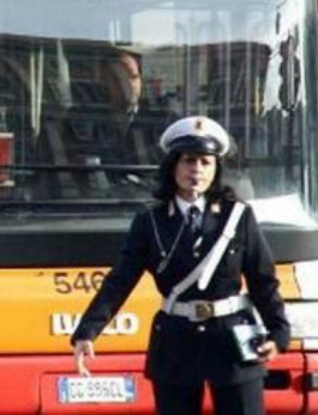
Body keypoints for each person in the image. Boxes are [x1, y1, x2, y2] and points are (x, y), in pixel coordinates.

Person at [70, 115, 290, 415]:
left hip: (232, 340)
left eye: (205, 162)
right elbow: (120, 280)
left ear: (216, 169)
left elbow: (263, 279)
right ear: (173, 165)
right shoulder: (150, 220)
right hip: (176, 341)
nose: (196, 170)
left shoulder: (238, 216)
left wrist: (278, 332)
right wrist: (88, 331)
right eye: (188, 160)